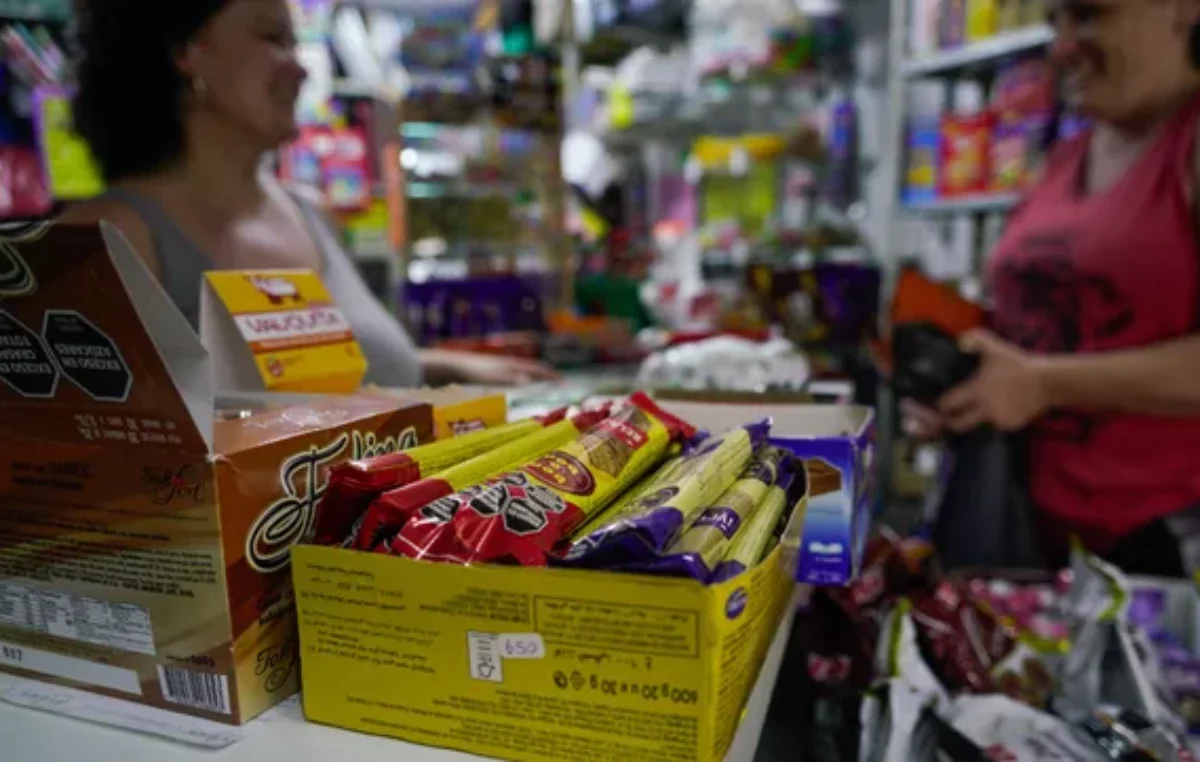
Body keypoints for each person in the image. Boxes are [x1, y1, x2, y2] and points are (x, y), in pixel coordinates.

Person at [61, 0, 559, 387]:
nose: (299, 68)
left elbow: (333, 368)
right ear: (186, 50)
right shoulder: (109, 237)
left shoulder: (309, 212)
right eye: (272, 37)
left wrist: (441, 367)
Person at [905, 0, 1200, 577]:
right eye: (1054, 22)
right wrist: (963, 379)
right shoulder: (1068, 154)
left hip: (1159, 554)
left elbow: (1043, 372)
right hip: (1030, 540)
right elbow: (1045, 322)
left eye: (1090, 16)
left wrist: (1042, 385)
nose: (1062, 47)